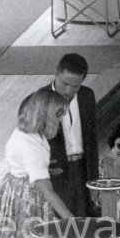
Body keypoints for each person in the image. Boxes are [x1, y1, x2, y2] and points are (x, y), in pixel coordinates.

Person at [0, 88, 73, 238]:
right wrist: (70, 219)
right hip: (26, 199)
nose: (60, 122)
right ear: (47, 115)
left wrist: (46, 169)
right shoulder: (31, 145)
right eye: (58, 116)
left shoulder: (25, 132)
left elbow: (24, 163)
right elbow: (48, 191)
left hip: (13, 189)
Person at [43, 54, 98, 217]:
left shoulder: (87, 96)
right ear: (56, 74)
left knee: (86, 219)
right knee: (61, 221)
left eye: (75, 86)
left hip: (83, 169)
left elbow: (92, 139)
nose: (68, 91)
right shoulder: (40, 100)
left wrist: (94, 176)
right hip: (56, 171)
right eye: (65, 84)